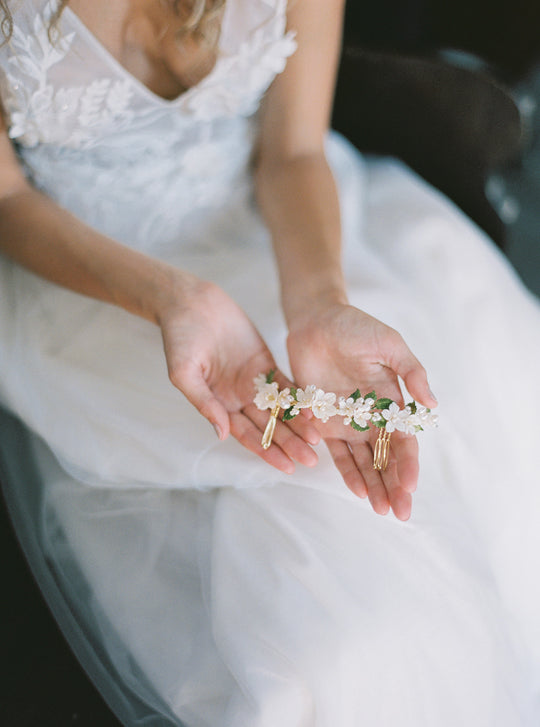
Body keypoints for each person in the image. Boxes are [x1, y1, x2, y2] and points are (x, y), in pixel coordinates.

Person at [0, 0, 539, 724]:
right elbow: (6, 199)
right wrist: (168, 298)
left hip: (286, 240)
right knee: (333, 650)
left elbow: (292, 154)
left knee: (501, 497)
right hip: (97, 290)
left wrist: (318, 303)